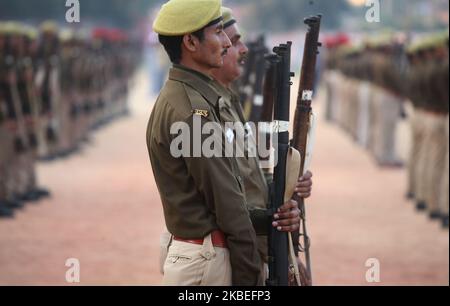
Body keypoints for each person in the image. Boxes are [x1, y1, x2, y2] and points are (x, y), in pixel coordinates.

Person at [209, 7, 313, 283]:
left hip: (250, 249)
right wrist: (273, 219)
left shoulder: (228, 103)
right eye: (230, 42)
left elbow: (252, 180)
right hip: (230, 254)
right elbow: (224, 205)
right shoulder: (204, 113)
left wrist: (288, 184)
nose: (241, 49)